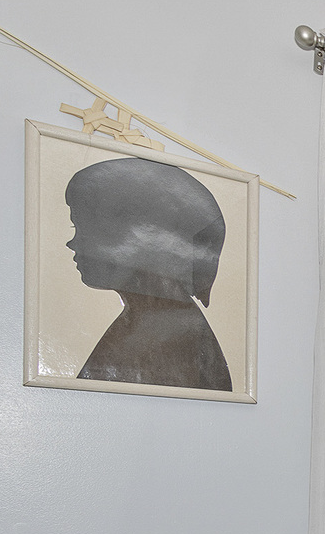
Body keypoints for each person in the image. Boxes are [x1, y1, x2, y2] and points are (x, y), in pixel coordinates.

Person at [64, 157, 232, 391]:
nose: (72, 244)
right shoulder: (148, 322)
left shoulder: (167, 336)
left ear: (143, 240)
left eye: (82, 227)